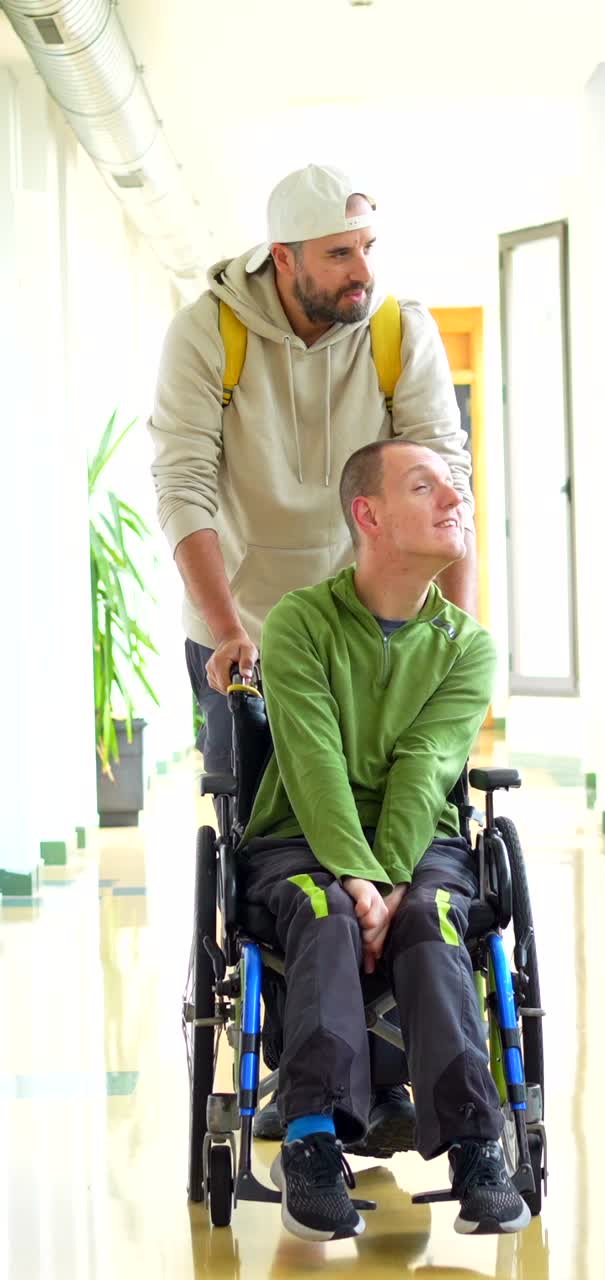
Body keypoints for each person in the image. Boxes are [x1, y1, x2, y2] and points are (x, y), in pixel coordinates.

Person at [148, 163, 476, 1144]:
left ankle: (388, 1064)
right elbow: (184, 483)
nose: (361, 270)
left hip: (368, 623)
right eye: (340, 254)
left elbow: (446, 479)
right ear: (284, 259)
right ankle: (310, 1073)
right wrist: (228, 625)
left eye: (367, 248)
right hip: (244, 630)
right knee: (282, 852)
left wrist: (447, 637)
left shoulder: (397, 333)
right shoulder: (210, 333)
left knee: (393, 822)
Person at [238, 438, 531, 1242]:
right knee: (323, 909)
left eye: (456, 487)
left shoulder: (465, 646)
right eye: (426, 486)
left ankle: (476, 1146)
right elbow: (313, 760)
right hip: (299, 833)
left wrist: (392, 879)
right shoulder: (300, 623)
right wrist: (359, 879)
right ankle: (310, 1143)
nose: (456, 500)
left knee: (432, 917)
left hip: (423, 843)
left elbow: (425, 765)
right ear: (368, 515)